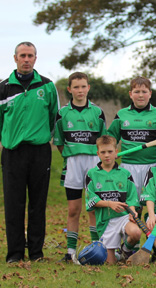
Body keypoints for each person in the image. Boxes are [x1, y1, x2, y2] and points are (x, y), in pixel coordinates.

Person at [0, 41, 59, 263]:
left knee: (38, 204)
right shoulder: (2, 89)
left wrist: (41, 138)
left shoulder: (48, 86)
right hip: (13, 153)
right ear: (15, 58)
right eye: (23, 55)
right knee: (14, 204)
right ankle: (15, 254)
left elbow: (53, 118)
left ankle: (36, 253)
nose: (26, 59)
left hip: (40, 152)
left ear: (36, 59)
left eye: (30, 55)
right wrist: (10, 141)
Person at [53, 72, 107, 263]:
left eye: (83, 86)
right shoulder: (62, 113)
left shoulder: (98, 112)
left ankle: (97, 250)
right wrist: (71, 156)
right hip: (73, 164)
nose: (80, 90)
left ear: (88, 88)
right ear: (69, 89)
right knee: (73, 210)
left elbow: (104, 141)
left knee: (93, 208)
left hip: (94, 163)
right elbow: (59, 142)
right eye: (76, 87)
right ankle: (70, 252)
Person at [108, 76, 156, 201]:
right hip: (129, 166)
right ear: (130, 94)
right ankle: (135, 221)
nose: (140, 95)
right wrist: (112, 151)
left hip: (153, 166)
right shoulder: (121, 115)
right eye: (136, 92)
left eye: (144, 92)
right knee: (133, 204)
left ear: (150, 94)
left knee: (155, 203)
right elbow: (111, 138)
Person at [85, 135, 142, 264]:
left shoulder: (125, 173)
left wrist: (132, 211)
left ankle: (124, 251)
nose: (107, 155)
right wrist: (109, 203)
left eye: (110, 151)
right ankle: (113, 254)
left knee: (136, 233)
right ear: (98, 154)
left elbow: (132, 198)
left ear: (116, 152)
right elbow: (91, 200)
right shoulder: (92, 174)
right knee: (111, 264)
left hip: (123, 217)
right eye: (103, 152)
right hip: (106, 221)